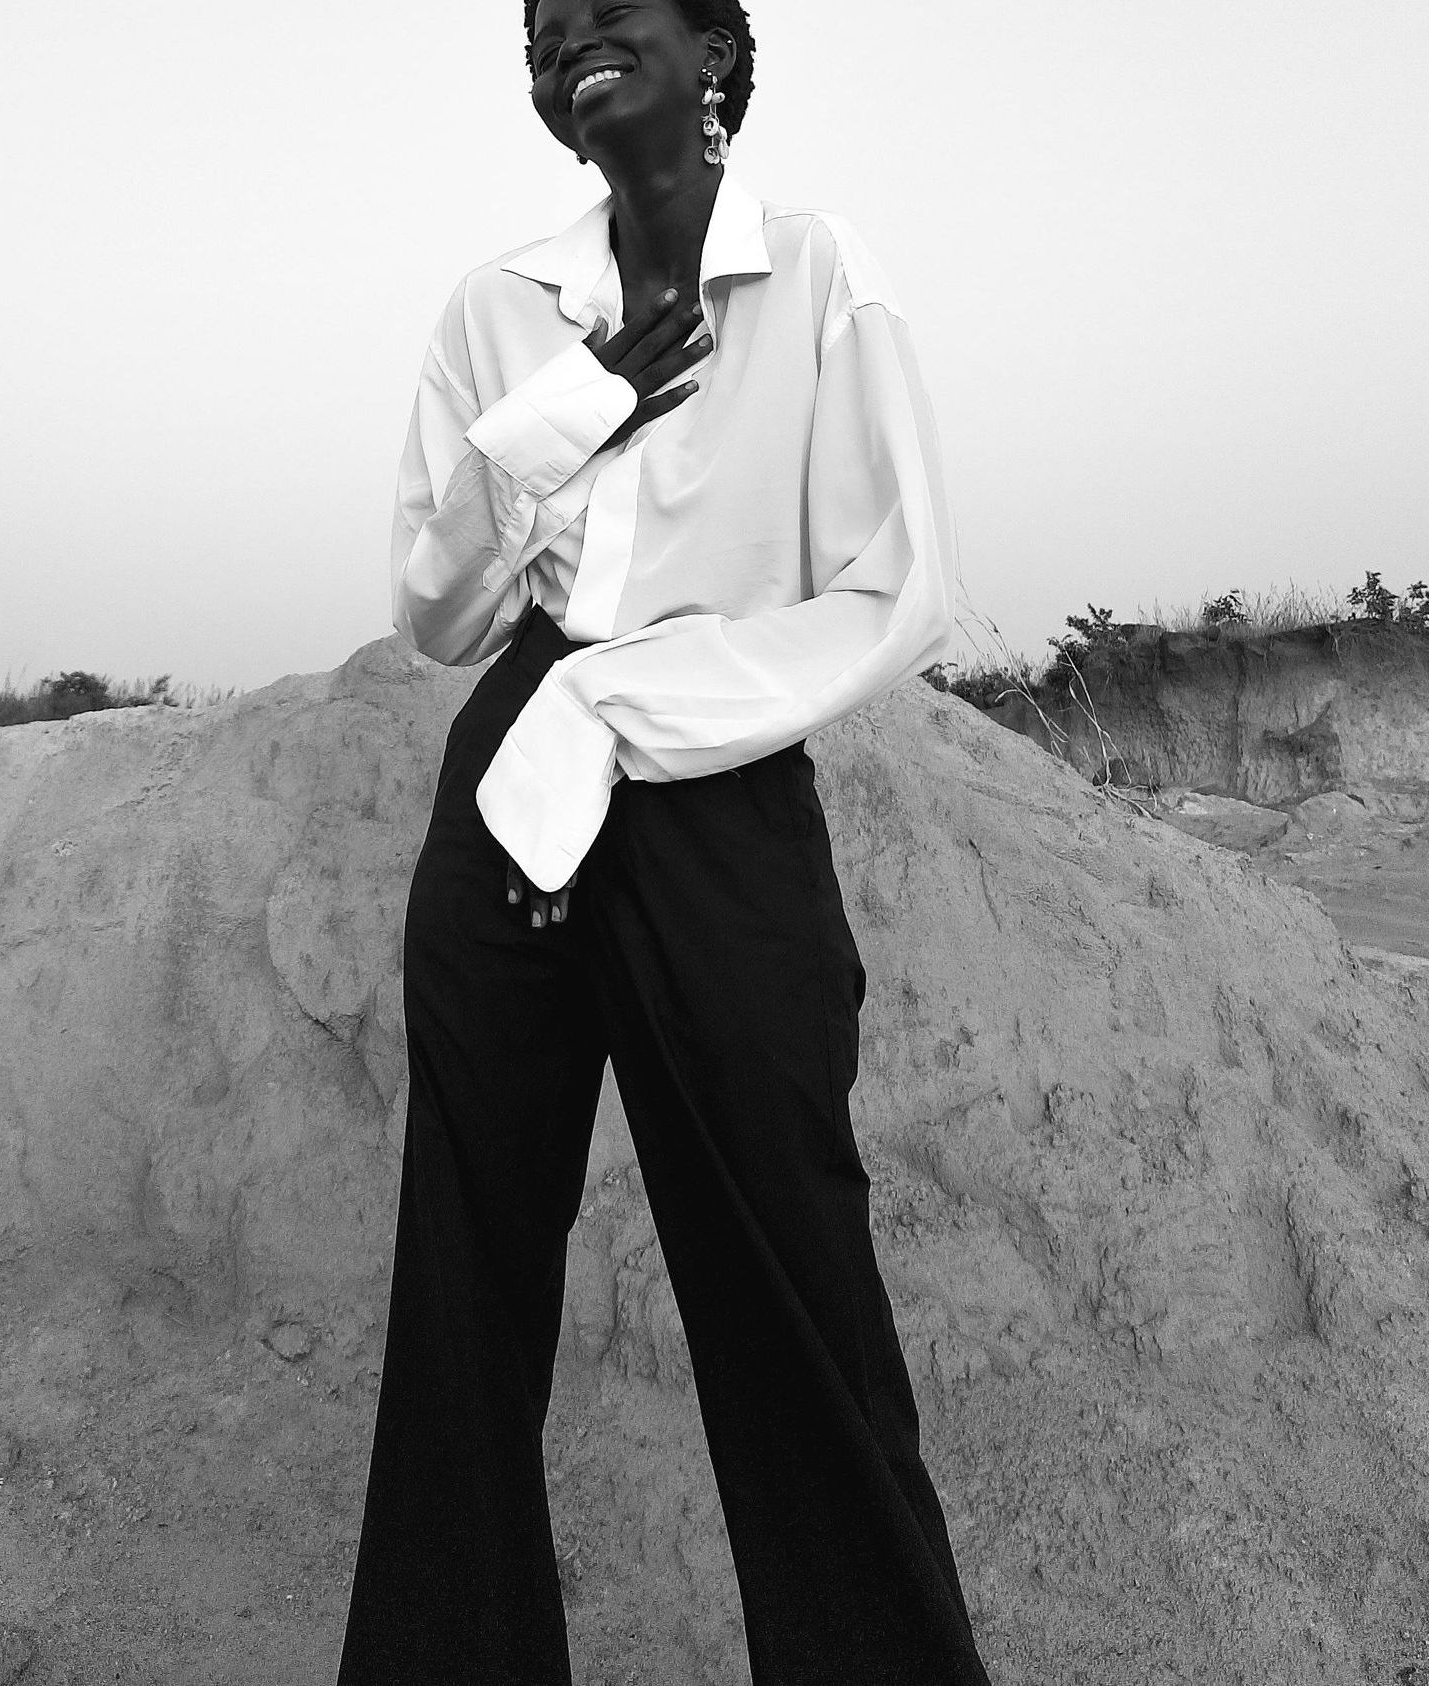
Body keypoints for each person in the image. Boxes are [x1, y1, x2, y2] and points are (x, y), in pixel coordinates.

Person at [337, 2, 992, 1681]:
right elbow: (438, 610)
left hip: (716, 784)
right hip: (507, 805)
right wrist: (564, 412)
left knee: (792, 1269)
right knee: (468, 1275)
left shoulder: (821, 275)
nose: (566, 38)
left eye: (608, 9)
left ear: (714, 52)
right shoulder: (498, 310)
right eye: (542, 33)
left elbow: (891, 585)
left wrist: (635, 708)